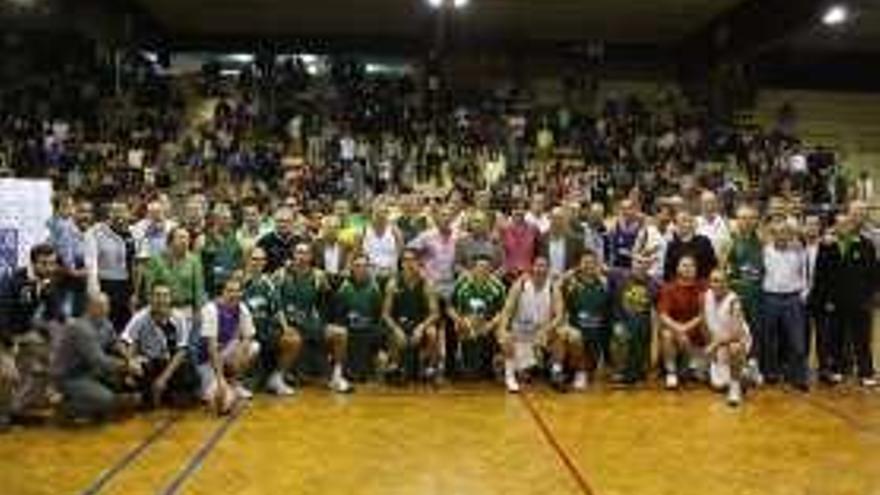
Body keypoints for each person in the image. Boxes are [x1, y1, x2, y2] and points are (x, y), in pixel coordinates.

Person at [0, 244, 65, 427]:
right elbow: (2, 314)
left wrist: (49, 292)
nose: (50, 268)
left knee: (51, 359)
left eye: (52, 263)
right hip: (4, 333)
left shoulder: (46, 280)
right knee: (8, 375)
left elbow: (56, 314)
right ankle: (2, 415)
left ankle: (21, 406)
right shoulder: (13, 281)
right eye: (44, 264)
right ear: (33, 263)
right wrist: (8, 343)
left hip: (24, 332)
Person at [275, 243, 352, 393]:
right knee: (292, 339)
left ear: (311, 257)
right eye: (298, 252)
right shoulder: (281, 274)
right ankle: (277, 377)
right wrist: (283, 325)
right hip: (287, 324)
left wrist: (322, 319)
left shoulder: (319, 276)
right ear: (293, 255)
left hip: (309, 323)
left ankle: (336, 377)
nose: (301, 256)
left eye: (305, 253)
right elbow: (274, 302)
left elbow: (330, 299)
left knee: (340, 333)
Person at [52, 293, 142, 421]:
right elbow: (100, 362)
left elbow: (115, 342)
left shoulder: (105, 322)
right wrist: (127, 366)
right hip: (70, 376)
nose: (105, 310)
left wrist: (130, 358)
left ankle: (101, 401)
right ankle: (66, 407)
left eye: (107, 305)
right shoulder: (81, 329)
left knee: (120, 383)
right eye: (100, 306)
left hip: (90, 371)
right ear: (89, 307)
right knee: (106, 400)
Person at [812, 214, 878, 387]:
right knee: (836, 338)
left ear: (852, 225)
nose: (844, 227)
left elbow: (873, 274)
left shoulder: (865, 244)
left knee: (862, 339)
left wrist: (870, 297)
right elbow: (821, 275)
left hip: (860, 301)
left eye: (847, 224)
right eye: (840, 224)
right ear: (835, 227)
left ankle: (866, 372)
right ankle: (837, 370)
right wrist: (825, 299)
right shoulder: (827, 246)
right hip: (835, 301)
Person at [121, 283, 199, 407]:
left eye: (165, 296)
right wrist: (130, 361)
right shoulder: (140, 317)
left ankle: (164, 393)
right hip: (150, 363)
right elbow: (123, 342)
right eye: (157, 295)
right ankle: (155, 396)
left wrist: (163, 378)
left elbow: (182, 351)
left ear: (170, 299)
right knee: (132, 380)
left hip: (171, 364)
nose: (161, 300)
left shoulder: (179, 317)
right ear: (150, 298)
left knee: (191, 377)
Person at [498, 256, 563, 392]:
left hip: (541, 333)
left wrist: (546, 330)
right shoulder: (520, 285)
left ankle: (556, 372)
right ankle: (510, 377)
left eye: (544, 266)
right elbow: (507, 310)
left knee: (559, 335)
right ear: (532, 267)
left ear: (548, 269)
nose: (540, 269)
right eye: (538, 265)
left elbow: (559, 315)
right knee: (506, 339)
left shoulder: (553, 287)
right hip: (520, 333)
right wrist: (503, 329)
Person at [197, 277, 260, 414]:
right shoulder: (211, 309)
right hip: (206, 360)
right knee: (223, 404)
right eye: (230, 291)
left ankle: (235, 382)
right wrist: (220, 380)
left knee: (254, 347)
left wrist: (240, 352)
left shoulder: (241, 307)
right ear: (222, 293)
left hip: (224, 353)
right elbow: (211, 348)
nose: (234, 295)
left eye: (237, 291)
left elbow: (249, 335)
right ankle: (218, 384)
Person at [242, 248, 300, 396]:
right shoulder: (240, 281)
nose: (258, 263)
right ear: (248, 260)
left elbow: (278, 309)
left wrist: (286, 328)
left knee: (293, 340)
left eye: (261, 260)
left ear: (265, 262)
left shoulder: (269, 283)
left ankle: (276, 378)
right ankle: (238, 381)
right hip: (244, 333)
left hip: (265, 330)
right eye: (255, 259)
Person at [760, 221, 809, 391]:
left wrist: (802, 294)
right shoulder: (764, 250)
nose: (781, 235)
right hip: (770, 298)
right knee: (769, 338)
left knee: (797, 340)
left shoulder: (798, 251)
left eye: (785, 232)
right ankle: (771, 373)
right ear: (772, 234)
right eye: (777, 232)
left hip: (792, 298)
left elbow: (805, 274)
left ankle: (798, 376)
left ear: (790, 234)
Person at [382, 248, 441, 382]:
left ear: (418, 262)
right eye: (405, 260)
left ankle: (430, 368)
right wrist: (397, 329)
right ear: (401, 263)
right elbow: (385, 314)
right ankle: (395, 365)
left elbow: (435, 313)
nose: (409, 263)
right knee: (392, 332)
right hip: (400, 323)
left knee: (432, 332)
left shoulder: (427, 283)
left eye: (412, 260)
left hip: (420, 323)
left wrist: (421, 327)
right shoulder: (393, 284)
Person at [557, 250, 611, 391]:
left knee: (592, 369)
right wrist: (565, 276)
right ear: (579, 265)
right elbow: (555, 291)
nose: (589, 266)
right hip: (577, 339)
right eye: (585, 262)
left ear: (597, 265)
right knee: (573, 336)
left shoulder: (604, 285)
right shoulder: (571, 285)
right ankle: (578, 373)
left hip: (595, 340)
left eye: (592, 263)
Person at [448, 255, 507, 382]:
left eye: (486, 267)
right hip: (466, 321)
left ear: (490, 269)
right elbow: (450, 308)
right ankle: (464, 365)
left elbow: (503, 311)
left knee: (503, 336)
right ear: (472, 269)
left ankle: (495, 367)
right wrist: (459, 320)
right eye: (479, 267)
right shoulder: (462, 283)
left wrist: (490, 324)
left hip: (490, 322)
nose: (482, 270)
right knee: (461, 328)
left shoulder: (498, 286)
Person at [329, 255, 384, 382]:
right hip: (349, 329)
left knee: (375, 335)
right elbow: (337, 315)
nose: (361, 269)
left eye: (365, 266)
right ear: (352, 268)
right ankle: (344, 368)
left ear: (369, 269)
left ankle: (367, 368)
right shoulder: (344, 289)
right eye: (358, 266)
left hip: (368, 330)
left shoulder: (375, 289)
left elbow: (378, 314)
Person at [84, 199, 136, 331]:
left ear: (128, 214)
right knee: (104, 322)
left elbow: (136, 263)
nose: (119, 215)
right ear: (109, 214)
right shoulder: (95, 232)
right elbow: (91, 263)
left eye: (123, 211)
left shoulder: (134, 232)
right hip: (105, 284)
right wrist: (94, 291)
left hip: (126, 286)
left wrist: (135, 291)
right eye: (115, 212)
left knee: (125, 323)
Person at [609, 254, 660, 384]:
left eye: (645, 263)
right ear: (632, 262)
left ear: (649, 265)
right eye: (638, 262)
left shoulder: (655, 284)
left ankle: (639, 369)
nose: (641, 265)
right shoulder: (618, 274)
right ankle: (619, 370)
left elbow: (655, 313)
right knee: (619, 334)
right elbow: (594, 266)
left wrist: (655, 338)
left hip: (643, 325)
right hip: (621, 323)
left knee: (641, 331)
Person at [703, 270, 752, 406]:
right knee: (718, 385)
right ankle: (746, 372)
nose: (716, 285)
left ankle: (735, 388)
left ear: (727, 283)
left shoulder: (734, 301)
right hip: (718, 344)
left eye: (720, 281)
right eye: (713, 281)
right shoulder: (706, 296)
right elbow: (704, 323)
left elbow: (736, 334)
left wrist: (714, 345)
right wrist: (710, 346)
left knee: (735, 347)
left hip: (735, 341)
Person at [658, 256, 707, 389]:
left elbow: (704, 314)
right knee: (666, 334)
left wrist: (685, 327)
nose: (688, 268)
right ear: (678, 268)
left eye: (691, 266)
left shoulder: (704, 287)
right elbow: (663, 315)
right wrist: (679, 328)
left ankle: (687, 369)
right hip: (676, 335)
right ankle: (671, 373)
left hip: (697, 339)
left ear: (696, 270)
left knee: (702, 377)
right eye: (684, 265)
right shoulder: (669, 287)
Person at [144, 227, 205, 332]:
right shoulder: (157, 260)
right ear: (170, 241)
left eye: (187, 238)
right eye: (181, 238)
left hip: (186, 309)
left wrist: (198, 311)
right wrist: (153, 309)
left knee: (184, 343)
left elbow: (198, 288)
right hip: (162, 309)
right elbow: (149, 287)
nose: (185, 241)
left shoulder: (194, 260)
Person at [201, 203, 244, 297]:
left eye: (229, 218)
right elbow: (204, 269)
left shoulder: (234, 240)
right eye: (224, 218)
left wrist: (238, 272)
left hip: (232, 291)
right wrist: (229, 273)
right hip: (211, 291)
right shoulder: (204, 239)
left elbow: (239, 266)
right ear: (216, 219)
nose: (228, 221)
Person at [663, 211, 717, 281]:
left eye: (689, 221)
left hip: (701, 284)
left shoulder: (704, 242)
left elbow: (712, 265)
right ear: (676, 225)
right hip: (678, 286)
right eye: (683, 220)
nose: (686, 224)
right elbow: (668, 272)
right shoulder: (672, 245)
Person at [257, 207, 306, 274]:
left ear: (293, 222)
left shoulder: (300, 241)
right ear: (274, 222)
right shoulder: (264, 241)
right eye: (280, 221)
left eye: (287, 221)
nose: (283, 225)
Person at [499, 200, 540, 282]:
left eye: (522, 209)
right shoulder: (503, 229)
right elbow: (501, 251)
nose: (519, 211)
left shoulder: (534, 229)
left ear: (526, 211)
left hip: (528, 274)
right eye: (516, 208)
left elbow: (538, 252)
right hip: (508, 274)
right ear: (511, 211)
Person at [361, 204, 403, 283]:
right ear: (373, 214)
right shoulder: (365, 229)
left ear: (387, 215)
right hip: (370, 271)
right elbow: (361, 252)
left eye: (384, 212)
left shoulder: (395, 230)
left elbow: (400, 252)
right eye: (378, 213)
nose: (381, 215)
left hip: (390, 271)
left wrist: (393, 269)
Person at [539, 207, 585, 278]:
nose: (557, 222)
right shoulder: (542, 239)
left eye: (560, 218)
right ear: (550, 219)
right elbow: (538, 260)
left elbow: (581, 262)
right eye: (554, 218)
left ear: (565, 221)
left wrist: (572, 271)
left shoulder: (575, 240)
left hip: (569, 280)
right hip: (546, 278)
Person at [696, 191, 731, 260]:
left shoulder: (726, 222)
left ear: (717, 203)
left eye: (712, 202)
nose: (710, 206)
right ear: (700, 204)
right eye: (706, 203)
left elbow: (729, 246)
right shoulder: (694, 222)